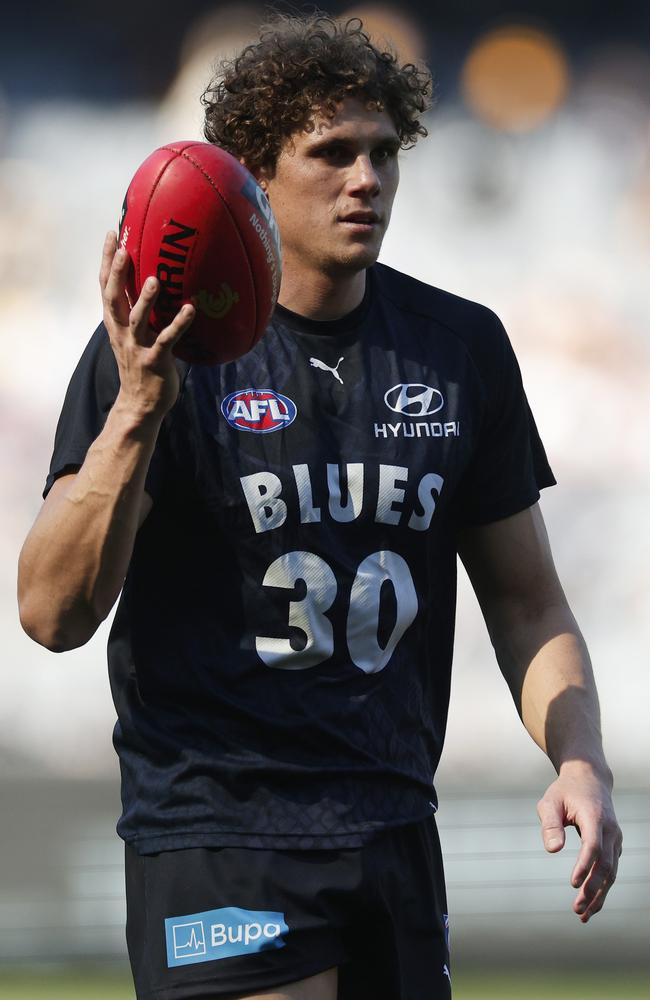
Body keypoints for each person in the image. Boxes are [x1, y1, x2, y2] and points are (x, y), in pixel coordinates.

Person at [18, 14, 622, 1000]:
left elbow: (526, 602)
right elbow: (50, 614)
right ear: (250, 173)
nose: (366, 179)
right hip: (217, 828)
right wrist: (135, 412)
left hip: (390, 827)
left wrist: (578, 755)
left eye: (383, 152)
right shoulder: (156, 349)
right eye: (331, 153)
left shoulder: (457, 347)